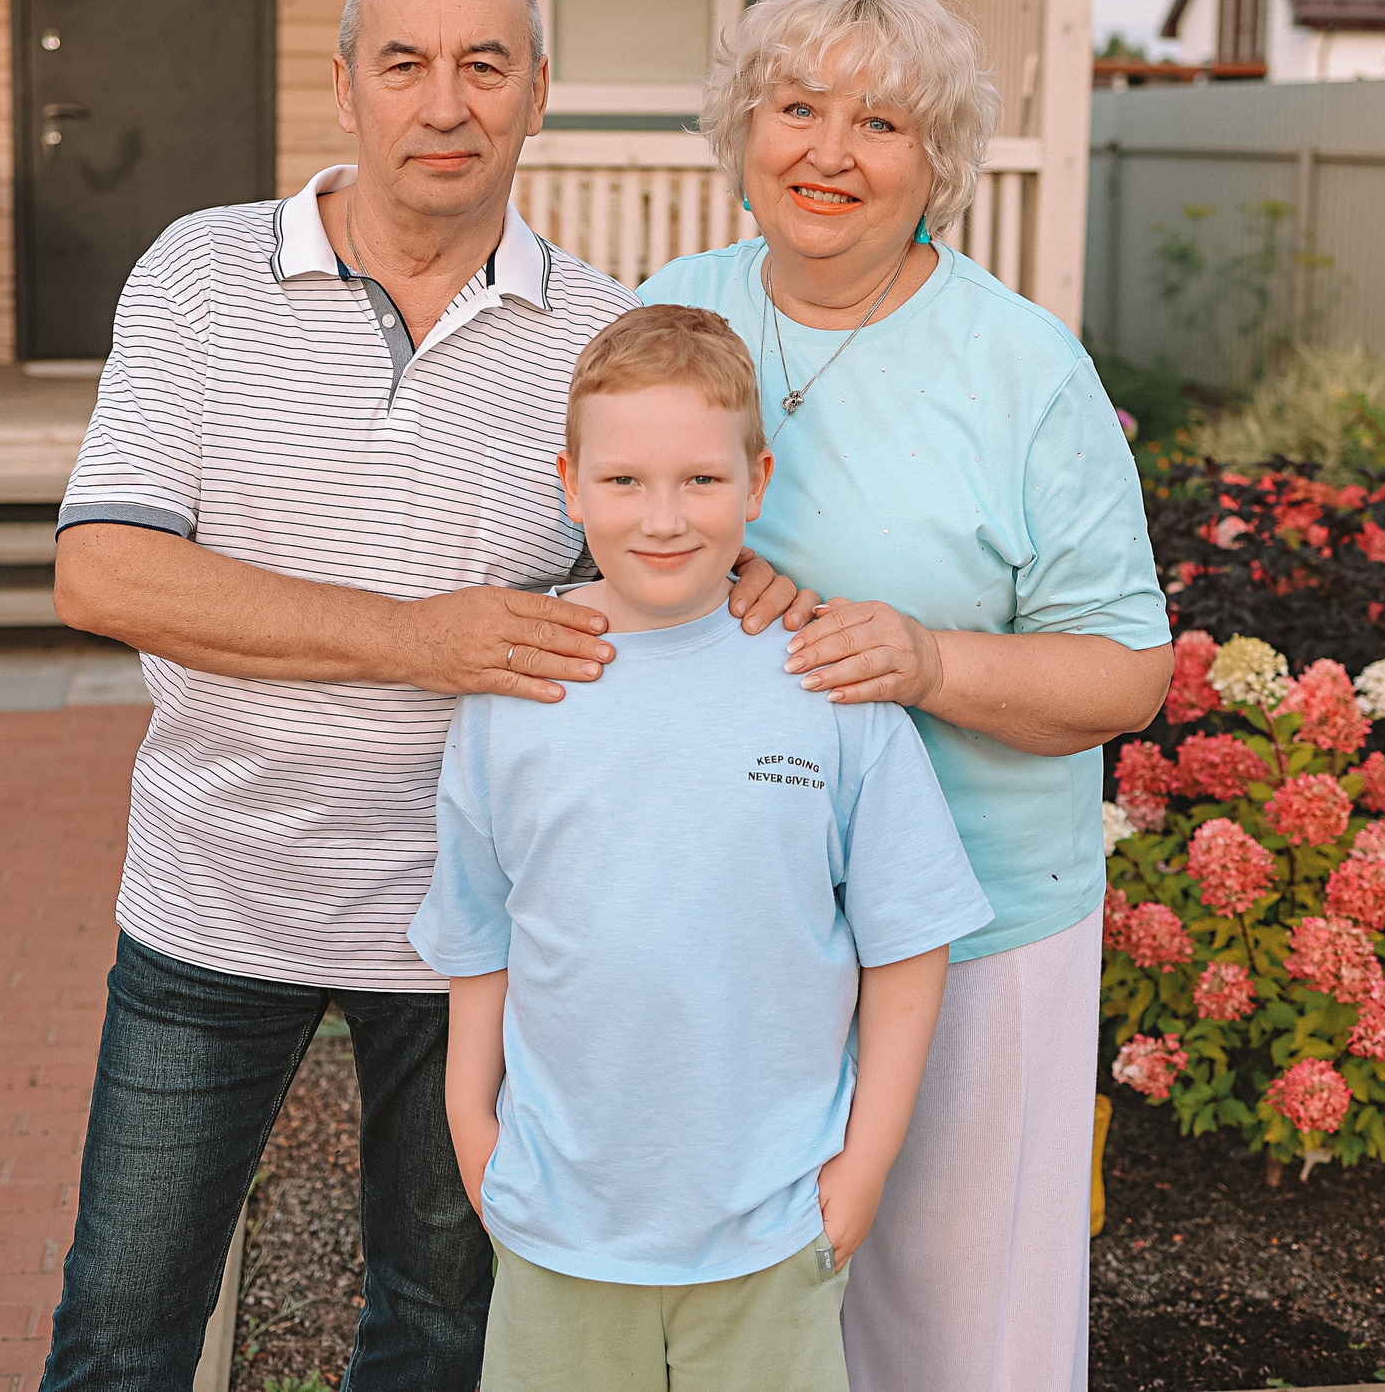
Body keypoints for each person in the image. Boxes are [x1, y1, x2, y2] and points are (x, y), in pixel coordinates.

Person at [43, 0, 807, 1392]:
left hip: (486, 932)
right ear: (343, 86)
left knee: (441, 1332)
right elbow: (102, 571)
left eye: (483, 65)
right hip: (216, 899)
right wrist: (414, 635)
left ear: (538, 96)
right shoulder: (202, 273)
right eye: (405, 63)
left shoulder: (600, 330)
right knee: (122, 1329)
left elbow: (659, 545)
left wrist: (731, 573)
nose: (443, 104)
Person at [639, 0, 1175, 1392]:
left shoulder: (1021, 366)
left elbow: (1129, 677)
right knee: (743, 1318)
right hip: (727, 916)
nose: (828, 151)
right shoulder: (670, 314)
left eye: (878, 123)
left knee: (955, 1335)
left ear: (936, 160)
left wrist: (928, 657)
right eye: (796, 106)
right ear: (741, 129)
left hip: (983, 922)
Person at [408, 305, 991, 1392]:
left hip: (771, 1222)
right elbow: (478, 932)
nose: (662, 518)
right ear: (569, 485)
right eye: (622, 482)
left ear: (756, 483)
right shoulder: (516, 691)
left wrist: (863, 1166)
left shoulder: (827, 686)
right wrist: (469, 1125)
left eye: (701, 482)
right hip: (557, 1219)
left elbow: (906, 944)